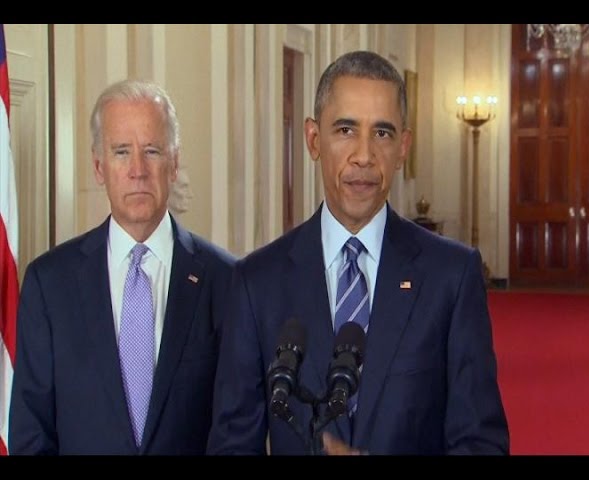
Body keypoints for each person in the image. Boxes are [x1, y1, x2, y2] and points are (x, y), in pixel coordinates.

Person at [207, 50, 509, 455]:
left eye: (382, 133)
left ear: (403, 147)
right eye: (346, 130)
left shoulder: (451, 277)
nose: (364, 156)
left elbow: (482, 443)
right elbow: (232, 446)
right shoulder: (256, 283)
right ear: (314, 139)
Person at [9, 79, 235, 454]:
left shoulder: (225, 281)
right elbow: (31, 436)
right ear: (99, 167)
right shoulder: (49, 285)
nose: (137, 170)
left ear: (174, 163)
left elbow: (235, 433)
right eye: (121, 152)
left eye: (151, 151)